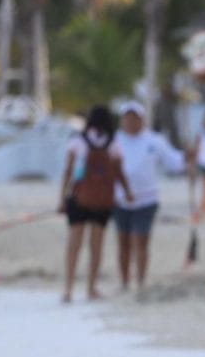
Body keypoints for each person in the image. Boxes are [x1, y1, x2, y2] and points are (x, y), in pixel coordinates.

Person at [58, 105, 132, 303]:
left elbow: (68, 171)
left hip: (78, 198)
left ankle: (68, 288)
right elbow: (119, 173)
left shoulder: (77, 141)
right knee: (96, 246)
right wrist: (128, 193)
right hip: (102, 201)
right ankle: (91, 288)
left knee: (74, 244)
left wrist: (61, 199)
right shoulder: (113, 144)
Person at [112, 101, 189, 291]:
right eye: (127, 118)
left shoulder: (154, 141)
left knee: (141, 239)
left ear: (142, 119)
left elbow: (174, 162)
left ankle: (141, 280)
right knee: (123, 241)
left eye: (134, 118)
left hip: (146, 199)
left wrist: (188, 157)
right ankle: (124, 281)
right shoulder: (114, 140)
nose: (130, 121)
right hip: (120, 199)